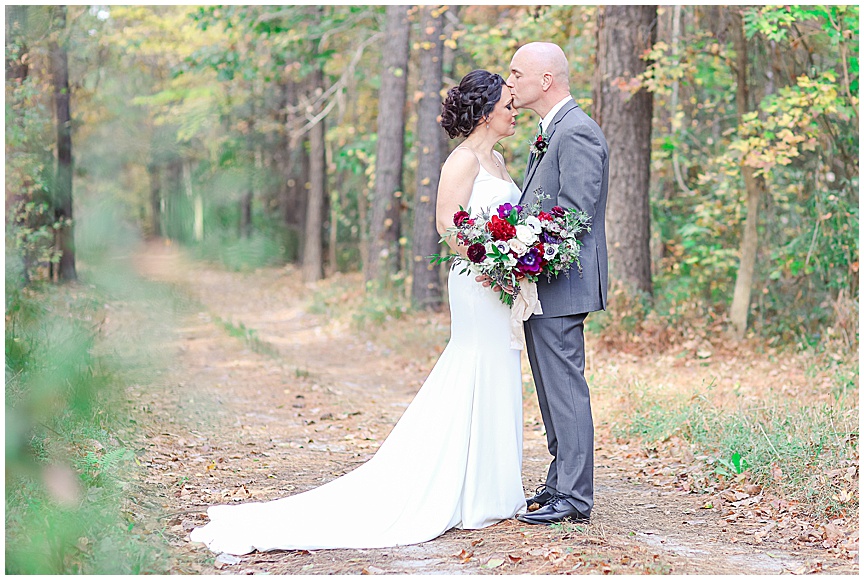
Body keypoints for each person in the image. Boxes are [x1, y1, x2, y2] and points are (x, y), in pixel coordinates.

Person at [189, 69, 525, 555]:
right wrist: (494, 257)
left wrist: (516, 253)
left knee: (497, 370)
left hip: (502, 284)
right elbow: (447, 227)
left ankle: (489, 488)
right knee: (474, 364)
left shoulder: (498, 160)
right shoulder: (463, 161)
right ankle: (463, 487)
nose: (515, 111)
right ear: (486, 109)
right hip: (478, 282)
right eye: (508, 104)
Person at [507, 42, 609, 525]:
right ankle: (557, 485)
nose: (511, 82)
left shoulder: (578, 132)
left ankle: (574, 497)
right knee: (551, 389)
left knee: (565, 388)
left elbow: (575, 211)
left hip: (562, 282)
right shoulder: (552, 131)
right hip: (544, 282)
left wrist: (522, 249)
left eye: (517, 73)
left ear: (546, 80)